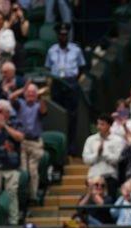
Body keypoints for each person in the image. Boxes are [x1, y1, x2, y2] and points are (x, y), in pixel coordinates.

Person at [44, 24, 85, 153]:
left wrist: (76, 83)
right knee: (57, 113)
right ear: (57, 36)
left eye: (65, 34)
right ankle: (59, 145)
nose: (63, 36)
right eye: (61, 34)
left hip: (71, 82)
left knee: (72, 115)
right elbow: (48, 69)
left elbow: (82, 67)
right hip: (57, 83)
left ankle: (71, 145)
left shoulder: (76, 50)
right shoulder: (51, 50)